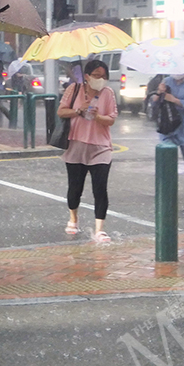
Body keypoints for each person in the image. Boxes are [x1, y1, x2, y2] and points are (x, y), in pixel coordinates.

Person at [56, 59, 118, 243]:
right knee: (75, 188)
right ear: (87, 76)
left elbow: (112, 118)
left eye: (104, 76)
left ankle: (100, 229)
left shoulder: (108, 93)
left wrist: (98, 116)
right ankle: (73, 219)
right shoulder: (74, 89)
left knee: (100, 188)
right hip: (76, 145)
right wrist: (78, 111)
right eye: (97, 76)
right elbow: (61, 111)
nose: (101, 79)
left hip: (101, 147)